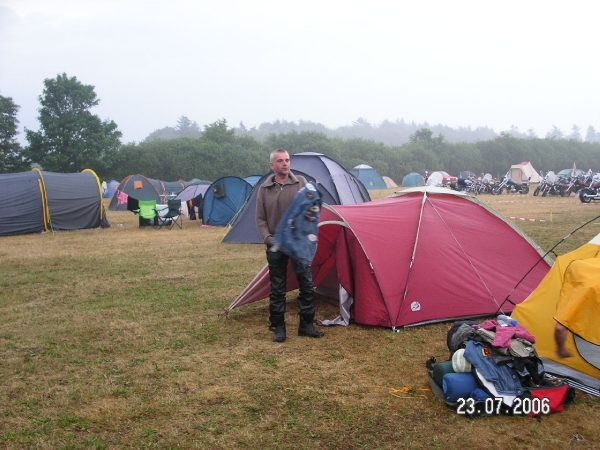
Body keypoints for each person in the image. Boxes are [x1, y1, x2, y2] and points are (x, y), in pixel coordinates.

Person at [256, 148, 324, 343]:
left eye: (287, 160)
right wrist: (269, 239)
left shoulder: (301, 183)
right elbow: (260, 219)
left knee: (306, 284)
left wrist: (311, 217)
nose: (285, 163)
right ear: (272, 166)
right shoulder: (264, 188)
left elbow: (311, 209)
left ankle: (307, 325)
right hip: (276, 244)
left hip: (299, 243)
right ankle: (278, 327)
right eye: (280, 161)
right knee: (278, 287)